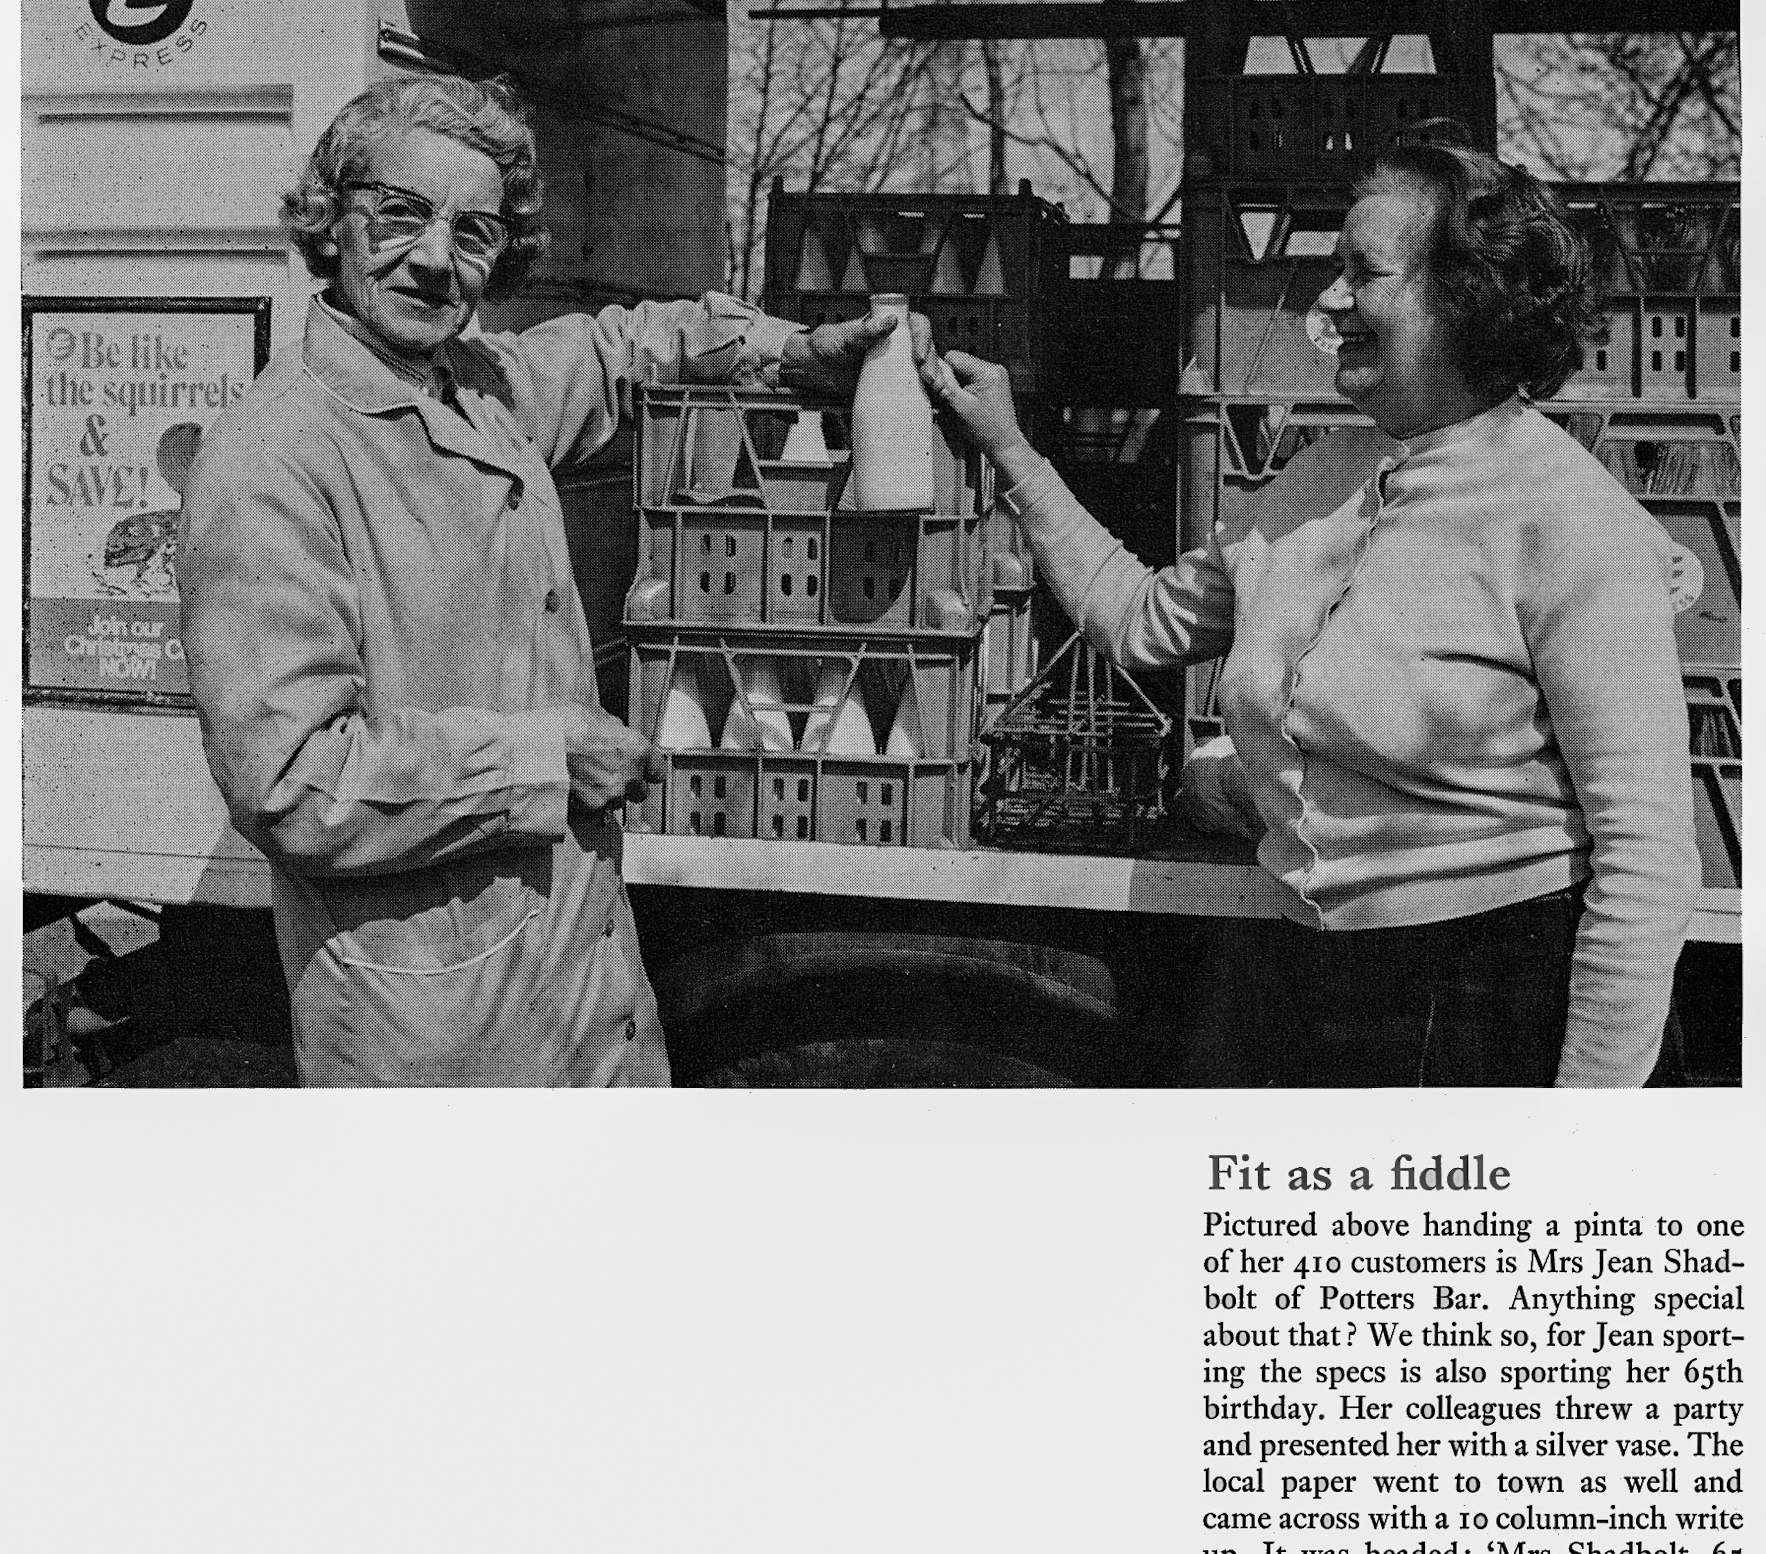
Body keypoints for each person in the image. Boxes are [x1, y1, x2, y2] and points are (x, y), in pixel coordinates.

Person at [179, 73, 924, 1086]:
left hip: (582, 996)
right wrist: (545, 760)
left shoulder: (475, 388)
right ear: (331, 219)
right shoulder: (271, 455)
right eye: (399, 214)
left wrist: (792, 351)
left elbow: (619, 349)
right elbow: (294, 781)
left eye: (473, 232)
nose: (434, 259)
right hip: (437, 1036)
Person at [936, 141, 1700, 1087]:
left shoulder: (1572, 518)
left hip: (1495, 997)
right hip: (1302, 974)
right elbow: (1138, 620)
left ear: (1468, 298)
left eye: (1363, 273)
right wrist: (1010, 449)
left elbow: (1648, 858)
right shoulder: (1320, 479)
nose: (1329, 301)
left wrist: (1583, 1124)